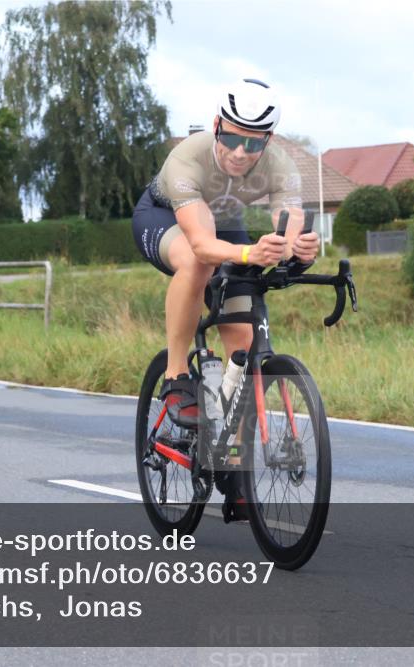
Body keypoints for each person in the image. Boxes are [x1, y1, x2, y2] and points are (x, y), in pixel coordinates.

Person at [132, 78, 320, 518]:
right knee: (199, 265)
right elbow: (201, 244)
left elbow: (286, 224)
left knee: (242, 346)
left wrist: (299, 248)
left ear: (268, 141)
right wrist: (249, 252)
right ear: (217, 126)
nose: (240, 152)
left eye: (252, 144)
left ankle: (231, 466)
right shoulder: (188, 158)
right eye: (232, 138)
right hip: (165, 218)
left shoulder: (281, 166)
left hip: (226, 222)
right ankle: (177, 376)